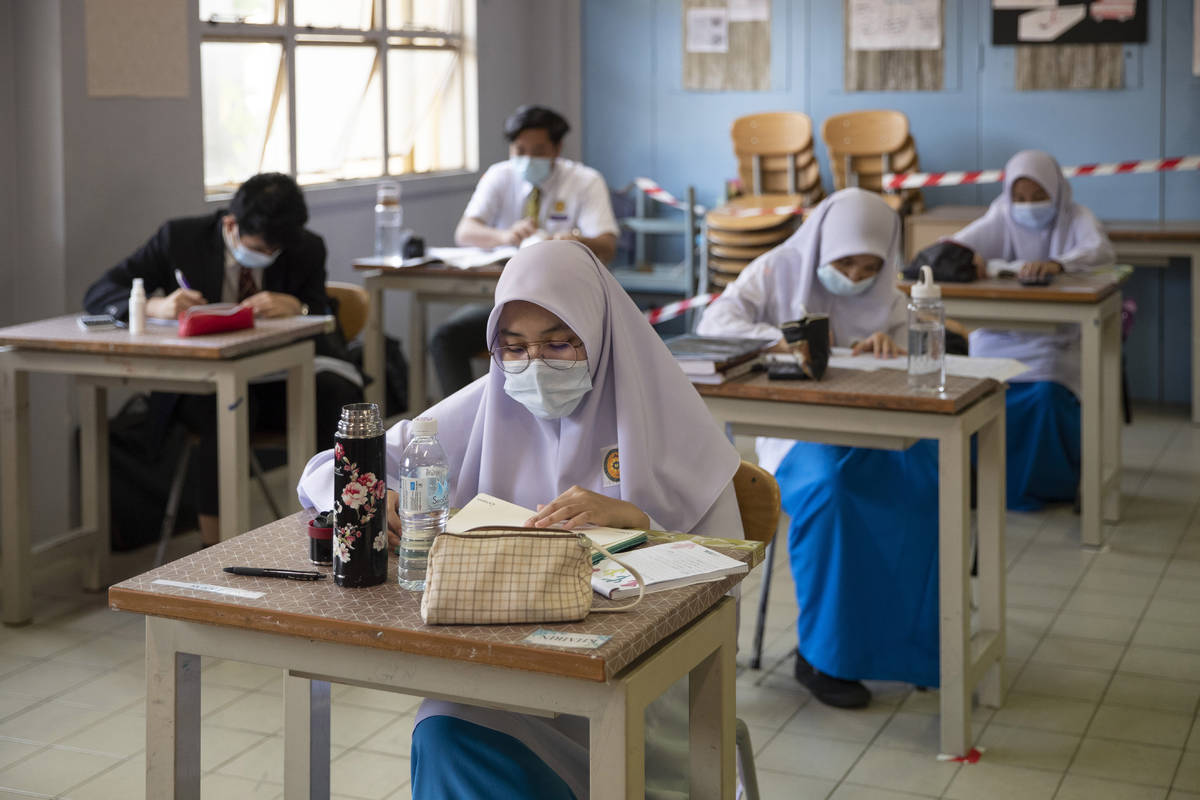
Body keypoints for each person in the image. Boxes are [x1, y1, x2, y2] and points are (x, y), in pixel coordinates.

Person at [297, 240, 742, 799]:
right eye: (514, 347)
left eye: (560, 344)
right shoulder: (490, 402)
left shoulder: (665, 419)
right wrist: (374, 492)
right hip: (501, 668)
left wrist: (640, 522)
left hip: (630, 683)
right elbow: (323, 472)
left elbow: (723, 575)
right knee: (445, 731)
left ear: (602, 335)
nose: (535, 366)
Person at [696, 188, 939, 708]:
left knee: (923, 484)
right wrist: (781, 339)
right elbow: (714, 323)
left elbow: (905, 353)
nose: (855, 276)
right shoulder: (778, 268)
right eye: (845, 262)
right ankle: (822, 655)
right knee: (832, 491)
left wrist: (889, 348)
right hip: (798, 434)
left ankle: (901, 646)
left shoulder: (888, 294)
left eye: (868, 266)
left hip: (874, 428)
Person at [84, 172, 362, 547]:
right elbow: (100, 293)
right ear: (230, 224)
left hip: (285, 381)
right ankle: (215, 550)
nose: (266, 257)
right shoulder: (180, 239)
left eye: (273, 253)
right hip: (208, 387)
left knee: (338, 396)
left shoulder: (304, 246)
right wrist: (154, 304)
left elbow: (326, 314)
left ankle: (344, 527)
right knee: (222, 407)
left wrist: (300, 305)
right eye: (259, 249)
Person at [951, 150, 1115, 510]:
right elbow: (953, 248)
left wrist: (1057, 264)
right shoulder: (1001, 216)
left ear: (1055, 192)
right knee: (977, 392)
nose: (1027, 205)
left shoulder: (1077, 218)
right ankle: (984, 481)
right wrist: (970, 261)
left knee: (1044, 394)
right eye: (1019, 198)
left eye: (1038, 196)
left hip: (1057, 341)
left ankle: (1047, 486)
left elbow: (1100, 252)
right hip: (998, 338)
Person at [430, 104, 619, 396]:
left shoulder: (585, 181)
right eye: (519, 150)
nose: (528, 159)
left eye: (539, 150)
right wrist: (505, 235)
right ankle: (470, 423)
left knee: (546, 347)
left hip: (564, 300)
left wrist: (568, 243)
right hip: (507, 298)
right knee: (445, 338)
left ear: (557, 149)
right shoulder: (499, 176)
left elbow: (607, 244)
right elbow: (465, 232)